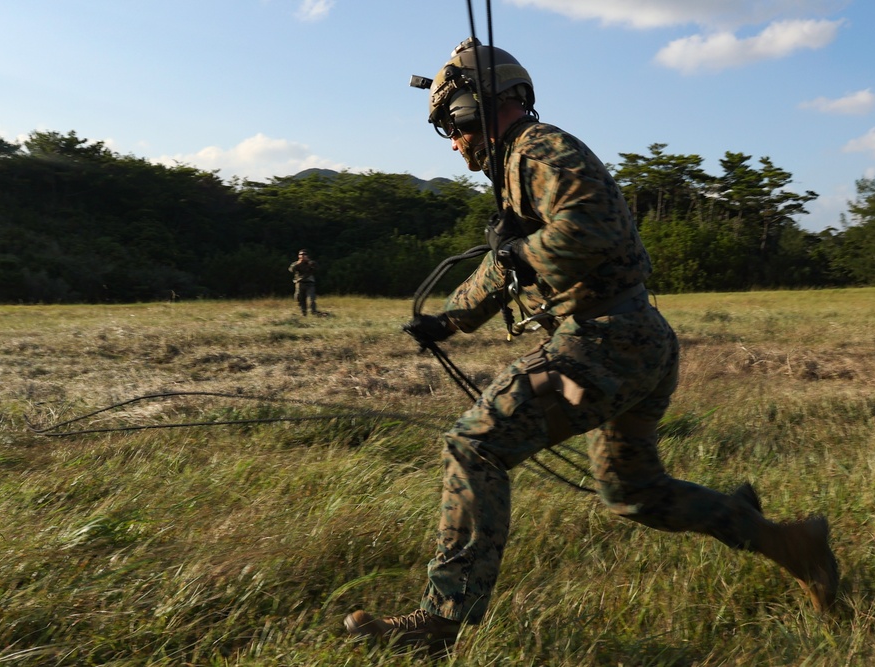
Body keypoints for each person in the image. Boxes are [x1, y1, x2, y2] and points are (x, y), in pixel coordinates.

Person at [344, 38, 838, 651]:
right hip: (636, 342)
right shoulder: (520, 166)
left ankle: (439, 623)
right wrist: (450, 321)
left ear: (482, 106)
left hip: (603, 345)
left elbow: (590, 231)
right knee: (633, 491)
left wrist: (517, 253)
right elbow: (513, 263)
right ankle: (790, 543)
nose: (452, 142)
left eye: (453, 124)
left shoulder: (539, 148)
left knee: (475, 445)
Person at [288, 249, 318, 316]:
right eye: (301, 254)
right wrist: (298, 264)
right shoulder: (296, 264)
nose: (302, 256)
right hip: (300, 283)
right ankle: (303, 313)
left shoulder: (311, 263)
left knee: (311, 299)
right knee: (300, 298)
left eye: (304, 254)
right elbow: (291, 270)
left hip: (309, 283)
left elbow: (315, 269)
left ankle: (313, 312)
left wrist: (309, 263)